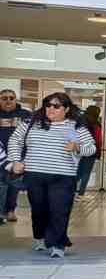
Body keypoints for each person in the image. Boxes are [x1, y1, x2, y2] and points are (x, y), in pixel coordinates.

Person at [6, 93, 96, 258]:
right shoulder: (31, 123)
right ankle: (40, 237)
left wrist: (77, 147)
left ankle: (57, 245)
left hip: (63, 176)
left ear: (66, 109)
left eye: (56, 106)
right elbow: (15, 141)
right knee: (39, 210)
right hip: (34, 175)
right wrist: (15, 161)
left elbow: (91, 148)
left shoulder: (74, 127)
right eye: (48, 105)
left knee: (59, 210)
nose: (50, 109)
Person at [0, 89, 32, 222]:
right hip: (0, 156)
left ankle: (11, 211)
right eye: (4, 98)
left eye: (11, 98)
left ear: (16, 100)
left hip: (17, 157)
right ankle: (1, 212)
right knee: (1, 185)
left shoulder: (25, 114)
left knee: (14, 185)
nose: (8, 101)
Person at [76, 105, 103, 197]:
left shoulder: (80, 121)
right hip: (90, 151)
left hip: (78, 150)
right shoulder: (96, 125)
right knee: (86, 173)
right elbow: (98, 140)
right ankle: (80, 194)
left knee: (78, 172)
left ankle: (71, 191)